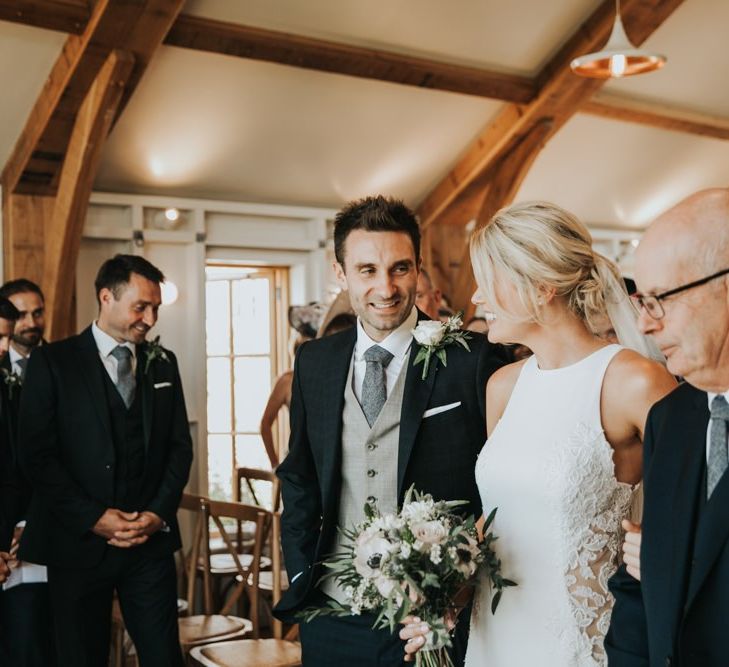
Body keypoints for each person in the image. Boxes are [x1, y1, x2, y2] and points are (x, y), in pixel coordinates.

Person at [402, 201, 675, 665]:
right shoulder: (503, 387)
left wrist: (659, 551)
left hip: (585, 642)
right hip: (499, 635)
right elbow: (497, 520)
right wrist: (449, 591)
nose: (476, 300)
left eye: (488, 283)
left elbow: (700, 499)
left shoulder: (631, 381)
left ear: (542, 287)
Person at [274, 195, 505, 666]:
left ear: (419, 269)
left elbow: (500, 486)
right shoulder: (314, 362)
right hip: (333, 611)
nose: (386, 287)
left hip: (433, 619)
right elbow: (298, 476)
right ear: (340, 273)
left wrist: (457, 592)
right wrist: (302, 577)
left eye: (400, 269)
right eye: (367, 270)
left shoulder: (473, 359)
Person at [18, 254, 193, 666]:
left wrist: (156, 512)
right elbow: (37, 456)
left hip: (149, 546)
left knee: (163, 658)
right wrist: (93, 518)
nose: (150, 319)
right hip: (77, 545)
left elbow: (179, 448)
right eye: (140, 307)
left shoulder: (163, 363)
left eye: (155, 308)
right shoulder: (53, 362)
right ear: (106, 297)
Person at [606, 188, 729, 666]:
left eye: (658, 300)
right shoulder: (671, 418)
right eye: (640, 300)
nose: (645, 323)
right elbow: (638, 587)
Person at [0, 278, 55, 667]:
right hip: (6, 528)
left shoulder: (61, 366)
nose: (30, 322)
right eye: (20, 314)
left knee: (40, 639)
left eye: (37, 312)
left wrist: (30, 521)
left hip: (45, 522)